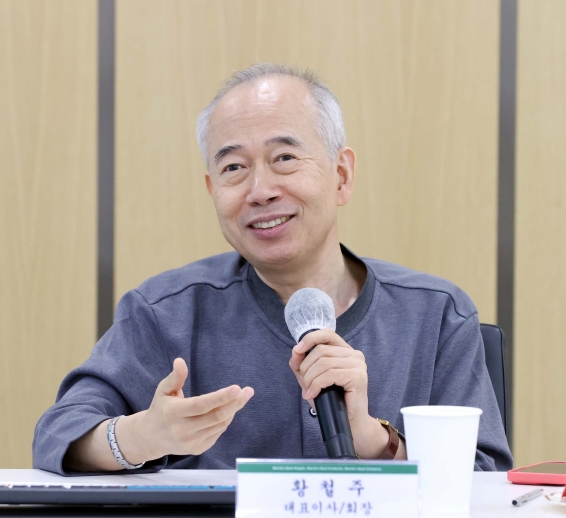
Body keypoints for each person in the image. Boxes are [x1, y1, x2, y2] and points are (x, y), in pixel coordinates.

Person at [33, 63, 513, 474]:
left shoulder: (436, 314)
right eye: (234, 168)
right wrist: (143, 436)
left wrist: (372, 440)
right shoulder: (164, 312)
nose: (259, 190)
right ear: (211, 190)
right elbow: (59, 435)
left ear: (341, 175)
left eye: (284, 158)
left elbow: (483, 478)